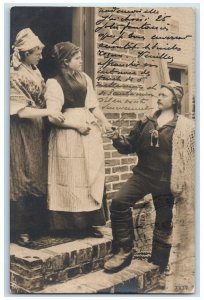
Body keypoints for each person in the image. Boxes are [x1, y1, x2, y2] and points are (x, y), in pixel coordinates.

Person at [104, 81, 195, 277]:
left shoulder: (184, 127)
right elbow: (129, 145)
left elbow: (191, 158)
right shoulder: (146, 121)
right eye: (159, 94)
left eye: (163, 95)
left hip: (165, 180)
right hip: (143, 175)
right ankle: (123, 251)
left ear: (175, 100)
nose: (159, 98)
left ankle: (159, 263)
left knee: (164, 220)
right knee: (119, 201)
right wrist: (116, 138)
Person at [45, 41, 113, 238]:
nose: (81, 61)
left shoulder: (85, 78)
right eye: (77, 58)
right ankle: (69, 226)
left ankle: (89, 223)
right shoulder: (54, 83)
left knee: (90, 174)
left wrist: (105, 123)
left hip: (88, 131)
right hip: (67, 135)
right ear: (66, 61)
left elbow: (93, 105)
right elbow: (52, 116)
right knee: (71, 176)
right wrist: (76, 125)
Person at [10, 28, 64, 246]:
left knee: (38, 173)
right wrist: (48, 112)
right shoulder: (12, 75)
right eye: (37, 52)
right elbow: (20, 110)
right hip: (21, 130)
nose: (41, 56)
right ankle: (19, 229)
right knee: (22, 174)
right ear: (25, 53)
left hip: (37, 130)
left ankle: (36, 226)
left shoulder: (35, 72)